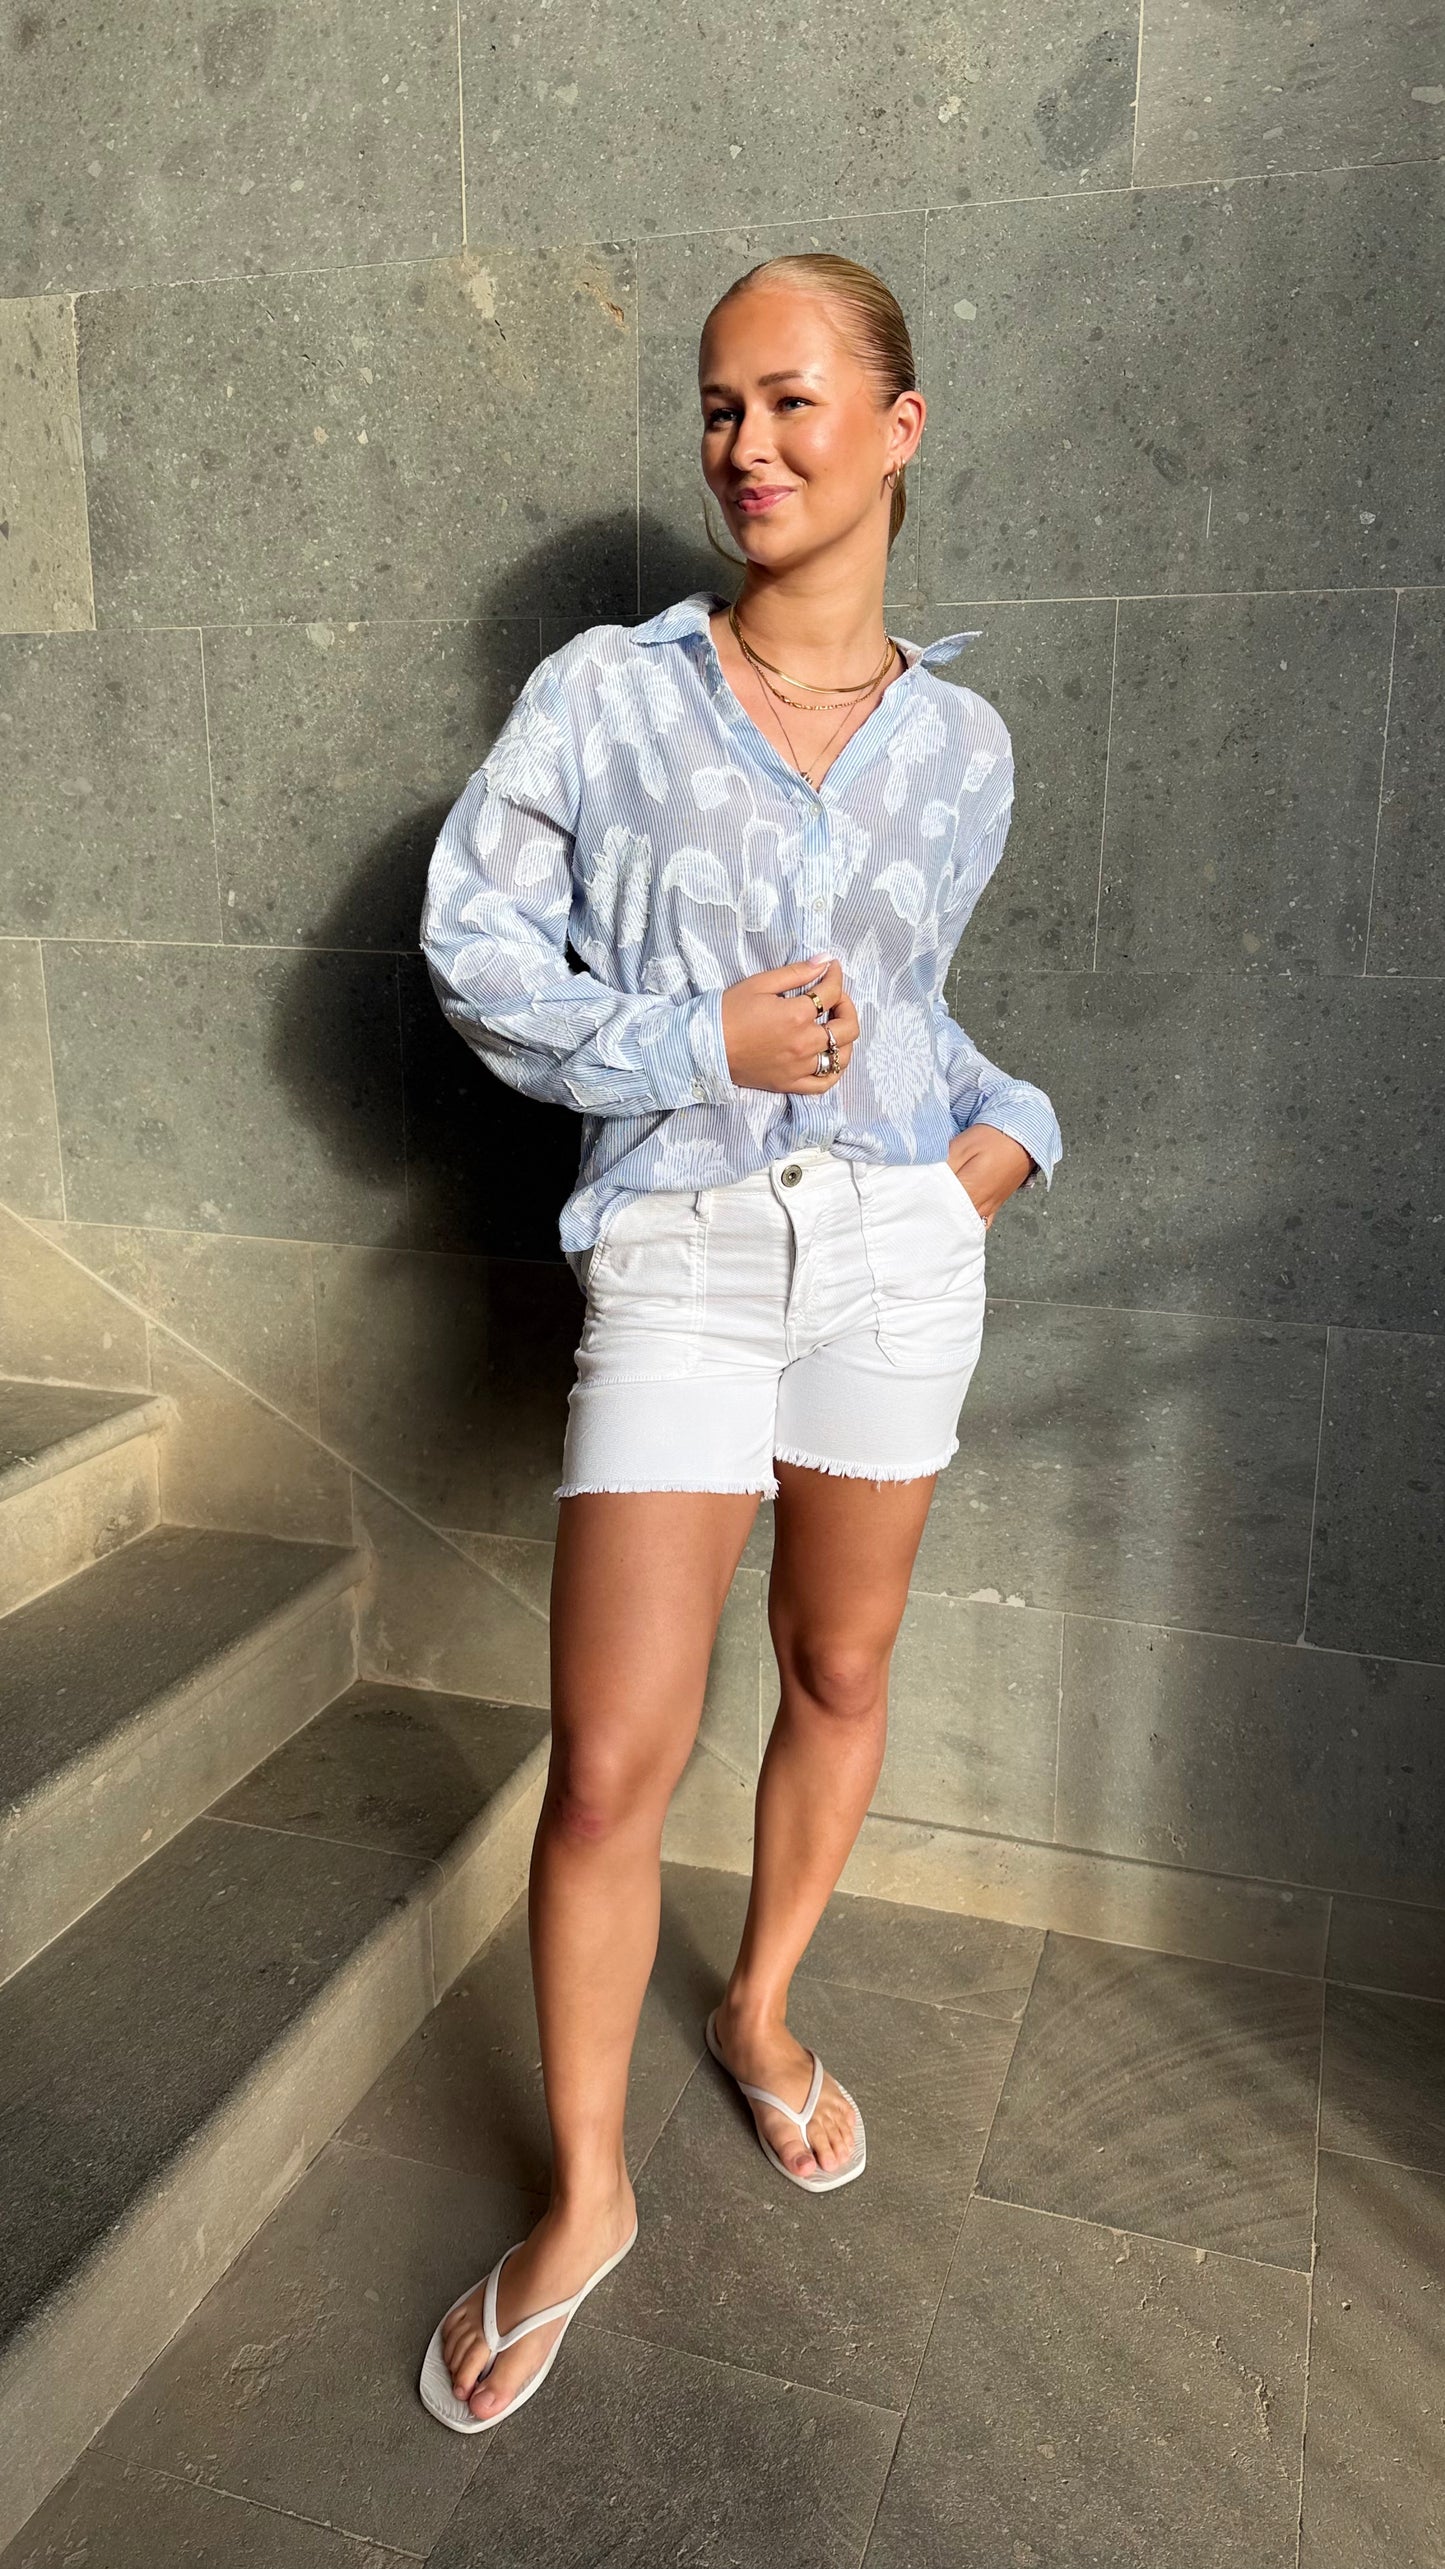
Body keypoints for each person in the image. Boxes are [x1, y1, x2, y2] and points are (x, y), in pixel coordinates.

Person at [415, 251, 1062, 2434]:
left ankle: (762, 2008)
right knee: (612, 1758)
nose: (746, 444)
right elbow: (474, 953)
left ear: (898, 426)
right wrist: (696, 1039)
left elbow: (917, 1011)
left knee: (839, 1669)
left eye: (790, 400)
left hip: (894, 1255)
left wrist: (998, 1144)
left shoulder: (962, 747)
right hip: (684, 1252)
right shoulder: (605, 699)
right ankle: (584, 2192)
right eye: (717, 406)